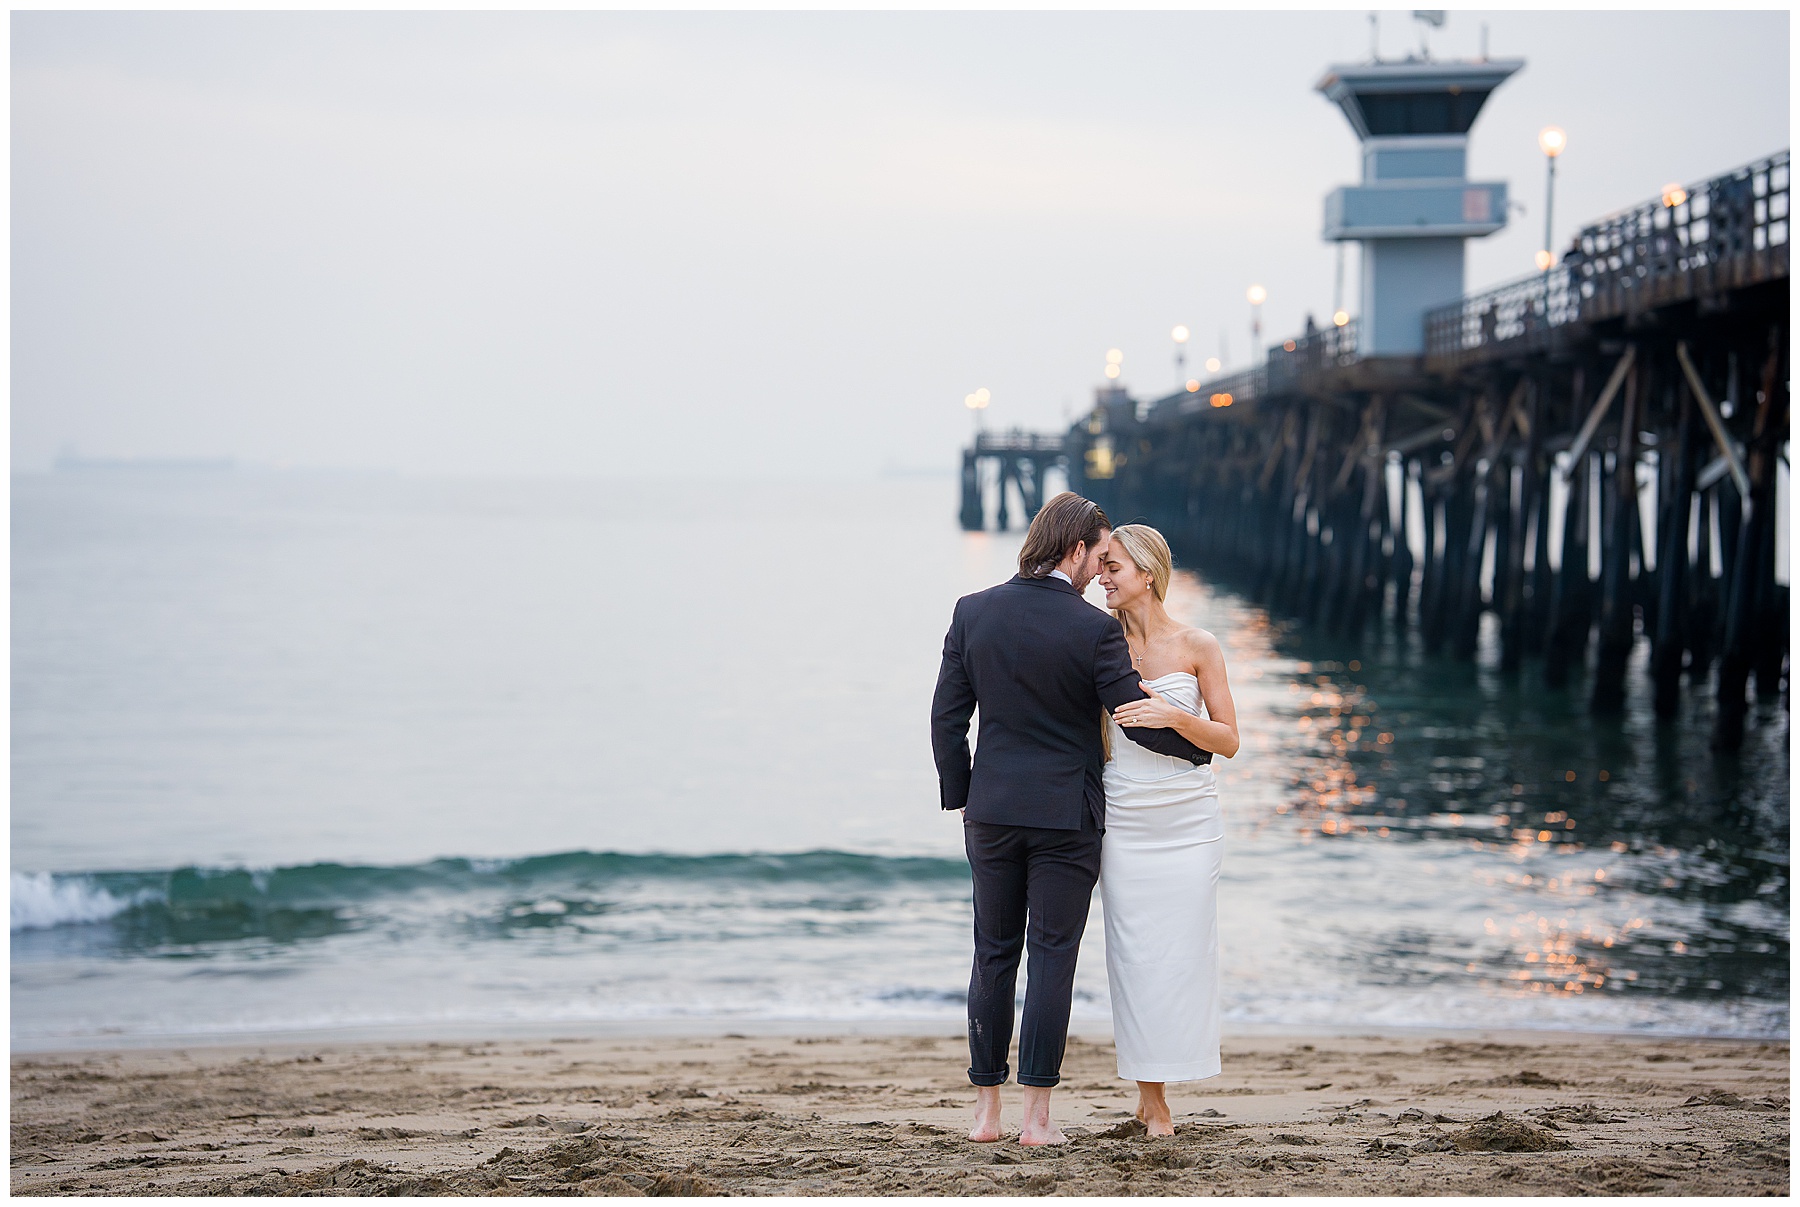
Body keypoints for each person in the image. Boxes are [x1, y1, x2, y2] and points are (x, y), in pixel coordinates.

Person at [930, 493, 1212, 1146]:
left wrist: (963, 793)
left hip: (993, 812)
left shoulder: (972, 612)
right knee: (1051, 957)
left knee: (992, 954)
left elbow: (947, 720)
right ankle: (1037, 1121)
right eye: (1098, 554)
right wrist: (1197, 749)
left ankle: (986, 1114)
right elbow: (1131, 715)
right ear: (1076, 549)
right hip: (1065, 817)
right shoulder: (1093, 630)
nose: (1099, 570)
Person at [1096, 524, 1240, 1136]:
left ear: (1147, 575)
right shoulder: (1097, 646)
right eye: (1101, 566)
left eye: (1114, 568)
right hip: (1123, 816)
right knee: (1134, 957)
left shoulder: (1197, 644)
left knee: (1181, 957)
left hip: (1189, 819)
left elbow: (1229, 741)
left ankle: (1166, 1073)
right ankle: (1151, 1097)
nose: (1102, 577)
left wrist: (1174, 716)